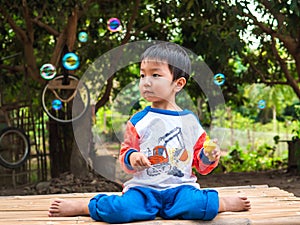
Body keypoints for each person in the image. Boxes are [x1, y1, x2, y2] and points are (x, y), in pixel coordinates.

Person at [48, 42, 251, 223]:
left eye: (155, 74)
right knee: (120, 210)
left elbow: (201, 165)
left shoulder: (190, 122)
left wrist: (207, 156)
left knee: (199, 205)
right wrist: (133, 156)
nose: (146, 81)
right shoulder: (138, 121)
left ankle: (222, 203)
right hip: (144, 190)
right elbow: (125, 154)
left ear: (178, 84)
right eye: (142, 75)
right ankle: (86, 207)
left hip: (180, 190)